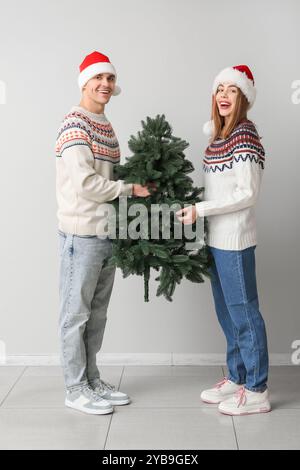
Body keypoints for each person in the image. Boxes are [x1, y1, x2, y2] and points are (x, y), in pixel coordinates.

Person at [56, 51, 151, 415]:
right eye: (99, 79)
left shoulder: (105, 124)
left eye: (110, 79)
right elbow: (86, 184)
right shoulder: (74, 124)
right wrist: (129, 189)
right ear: (84, 82)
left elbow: (109, 175)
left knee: (97, 313)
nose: (105, 85)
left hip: (105, 232)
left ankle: (92, 379)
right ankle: (74, 387)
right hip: (81, 235)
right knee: (75, 314)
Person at [176, 65, 271, 416]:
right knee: (227, 314)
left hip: (235, 239)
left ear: (243, 97)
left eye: (232, 90)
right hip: (215, 239)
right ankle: (237, 376)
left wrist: (200, 209)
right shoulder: (218, 138)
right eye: (220, 89)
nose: (224, 96)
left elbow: (247, 194)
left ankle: (257, 388)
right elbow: (218, 188)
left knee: (244, 313)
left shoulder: (245, 134)